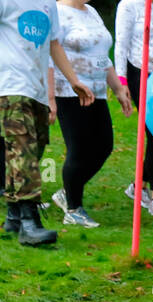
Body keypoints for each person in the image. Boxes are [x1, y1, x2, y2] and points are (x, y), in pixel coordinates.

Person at [1, 0, 93, 245]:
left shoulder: (48, 4)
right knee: (24, 152)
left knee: (34, 148)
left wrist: (74, 80)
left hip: (37, 88)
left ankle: (13, 215)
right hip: (9, 86)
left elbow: (53, 44)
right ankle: (30, 224)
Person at [47, 0, 133, 227]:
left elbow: (103, 56)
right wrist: (50, 97)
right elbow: (49, 53)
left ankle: (67, 192)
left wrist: (117, 87)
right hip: (68, 91)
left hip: (97, 92)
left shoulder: (92, 12)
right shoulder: (56, 11)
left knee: (104, 146)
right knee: (79, 149)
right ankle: (73, 209)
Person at [114, 0, 153, 216]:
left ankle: (139, 185)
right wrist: (122, 81)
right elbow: (121, 43)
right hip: (140, 72)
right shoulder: (129, 5)